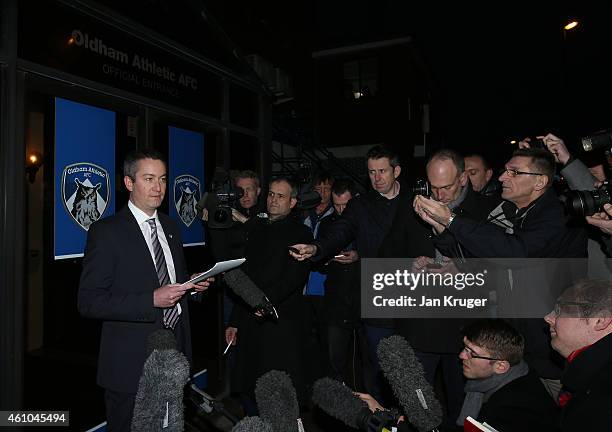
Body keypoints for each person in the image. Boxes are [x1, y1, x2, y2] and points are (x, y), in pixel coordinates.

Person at [78, 148, 211, 432]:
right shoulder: (106, 232)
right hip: (130, 368)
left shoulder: (170, 226)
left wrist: (192, 284)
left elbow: (174, 280)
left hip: (174, 356)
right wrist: (150, 300)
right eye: (149, 179)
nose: (158, 188)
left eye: (162, 179)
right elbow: (89, 302)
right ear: (129, 183)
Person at [380, 149, 499, 425]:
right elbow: (386, 253)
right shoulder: (412, 206)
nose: (440, 195)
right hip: (419, 328)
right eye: (433, 187)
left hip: (467, 333)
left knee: (464, 412)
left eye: (446, 187)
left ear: (463, 178)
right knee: (417, 406)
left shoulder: (486, 211)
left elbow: (503, 269)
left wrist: (465, 267)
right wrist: (410, 264)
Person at [290, 145, 406, 403]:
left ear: (396, 171)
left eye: (382, 171)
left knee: (411, 372)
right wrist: (316, 247)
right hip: (377, 299)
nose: (377, 178)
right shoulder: (361, 206)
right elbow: (340, 231)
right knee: (376, 369)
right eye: (371, 172)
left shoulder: (413, 201)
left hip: (413, 298)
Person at [357, 319, 558, 432]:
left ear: (501, 366)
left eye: (472, 352)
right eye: (464, 348)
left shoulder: (513, 410)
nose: (461, 356)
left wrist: (388, 424)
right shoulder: (494, 383)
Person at [226, 177, 312, 411]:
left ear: (293, 202)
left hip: (280, 321)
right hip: (250, 319)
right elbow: (242, 276)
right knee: (250, 386)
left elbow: (295, 277)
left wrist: (263, 303)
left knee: (279, 390)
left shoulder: (301, 233)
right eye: (271, 194)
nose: (273, 200)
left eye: (280, 196)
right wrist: (235, 320)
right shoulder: (255, 228)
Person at [544, 279, 612, 430]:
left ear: (600, 320)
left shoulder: (603, 395)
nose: (548, 317)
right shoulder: (591, 373)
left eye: (560, 309)